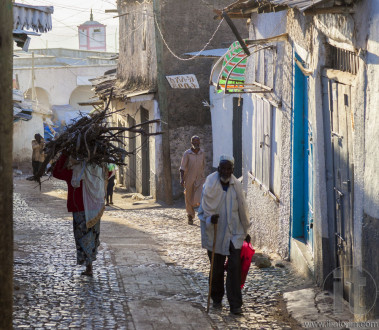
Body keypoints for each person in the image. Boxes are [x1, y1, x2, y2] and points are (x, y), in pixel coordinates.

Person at [198, 155, 250, 314]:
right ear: (218, 168)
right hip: (215, 233)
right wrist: (209, 219)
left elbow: (243, 208)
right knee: (217, 268)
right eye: (223, 168)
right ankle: (217, 298)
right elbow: (202, 212)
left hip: (235, 233)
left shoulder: (237, 186)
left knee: (234, 268)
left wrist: (246, 231)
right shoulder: (210, 185)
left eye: (229, 169)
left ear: (232, 170)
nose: (225, 171)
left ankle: (235, 305)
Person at [53, 152, 105, 276]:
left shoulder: (74, 173)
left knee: (82, 237)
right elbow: (108, 173)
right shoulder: (96, 171)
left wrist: (63, 155)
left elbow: (56, 172)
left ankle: (89, 267)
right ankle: (89, 266)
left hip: (79, 209)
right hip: (95, 209)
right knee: (91, 237)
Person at [179, 135, 206, 225]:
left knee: (201, 195)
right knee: (188, 197)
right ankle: (190, 215)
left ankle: (200, 211)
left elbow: (203, 165)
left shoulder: (202, 153)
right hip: (189, 178)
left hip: (200, 178)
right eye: (194, 141)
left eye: (197, 141)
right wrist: (182, 179)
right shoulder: (187, 153)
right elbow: (182, 168)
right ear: (191, 143)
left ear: (199, 142)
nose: (196, 143)